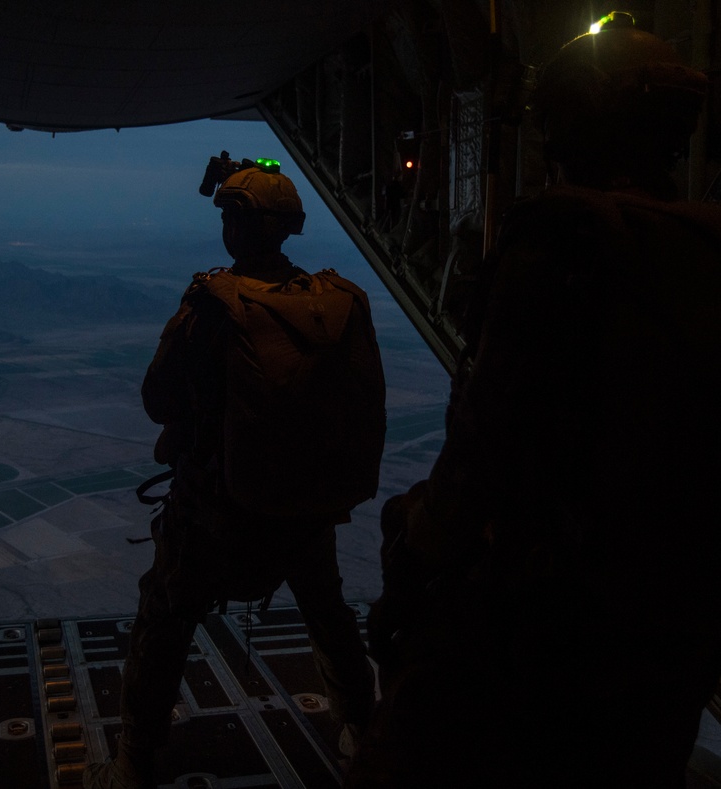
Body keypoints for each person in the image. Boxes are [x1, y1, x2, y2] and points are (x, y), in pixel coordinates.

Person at [349, 15, 721, 789]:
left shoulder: (563, 241)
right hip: (674, 623)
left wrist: (413, 562)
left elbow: (480, 453)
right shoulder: (702, 249)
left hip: (551, 624)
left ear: (575, 122)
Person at [84, 161, 386, 789]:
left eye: (229, 214)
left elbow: (158, 399)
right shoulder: (336, 303)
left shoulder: (214, 304)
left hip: (216, 514)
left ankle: (133, 767)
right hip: (306, 513)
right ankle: (364, 735)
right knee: (329, 616)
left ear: (239, 227)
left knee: (163, 620)